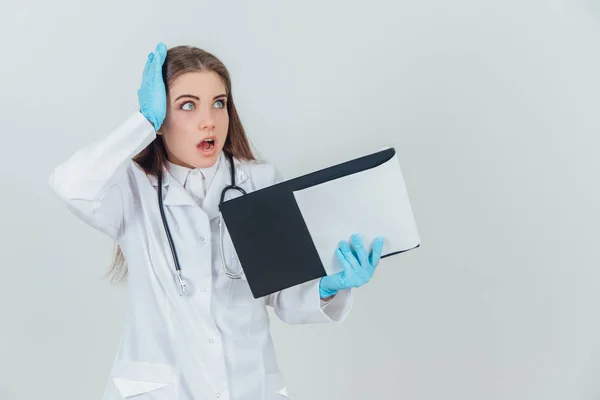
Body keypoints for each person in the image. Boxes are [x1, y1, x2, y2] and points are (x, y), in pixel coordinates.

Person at [49, 42, 385, 400]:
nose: (208, 120)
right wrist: (142, 121)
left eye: (219, 103)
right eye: (187, 105)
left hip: (247, 387)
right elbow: (69, 185)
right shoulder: (132, 188)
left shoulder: (258, 182)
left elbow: (284, 295)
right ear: (160, 121)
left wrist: (328, 286)